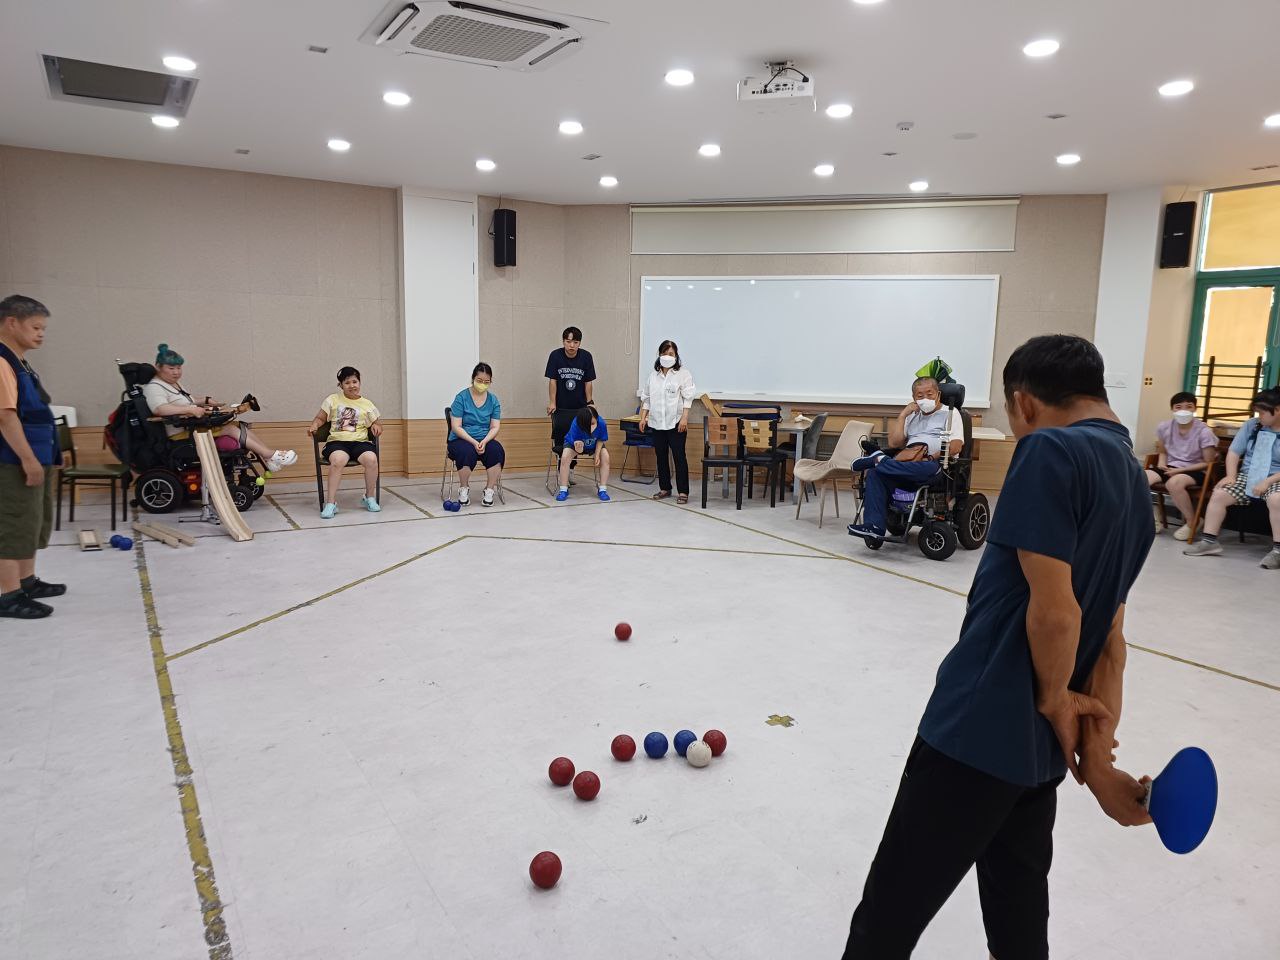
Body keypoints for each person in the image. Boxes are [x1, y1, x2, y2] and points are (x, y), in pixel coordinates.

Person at [840, 335, 1155, 960]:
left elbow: (1059, 614)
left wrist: (1054, 699)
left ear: (1024, 403)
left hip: (975, 731)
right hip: (1036, 758)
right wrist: (1094, 762)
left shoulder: (1049, 450)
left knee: (887, 919)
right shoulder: (1135, 481)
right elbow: (1110, 642)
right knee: (1018, 926)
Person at [0, 295, 65, 620]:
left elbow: (37, 414)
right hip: (12, 461)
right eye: (35, 327)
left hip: (35, 456)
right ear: (12, 323)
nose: (41, 334)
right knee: (13, 523)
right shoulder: (2, 363)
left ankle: (27, 581)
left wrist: (51, 454)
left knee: (32, 521)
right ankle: (8, 595)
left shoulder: (20, 361)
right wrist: (27, 459)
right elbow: (6, 417)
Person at [141, 344, 297, 471]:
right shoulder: (154, 387)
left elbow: (189, 400)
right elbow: (160, 409)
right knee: (229, 429)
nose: (176, 372)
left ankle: (267, 458)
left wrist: (207, 401)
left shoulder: (172, 384)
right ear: (158, 367)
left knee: (239, 426)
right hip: (179, 434)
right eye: (171, 368)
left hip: (190, 428)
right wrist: (189, 410)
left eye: (179, 368)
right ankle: (269, 454)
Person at [846, 375, 964, 543]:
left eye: (929, 394)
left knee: (893, 466)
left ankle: (880, 460)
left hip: (933, 464)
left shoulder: (950, 414)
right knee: (874, 474)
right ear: (914, 398)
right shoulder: (912, 416)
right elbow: (894, 443)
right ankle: (874, 527)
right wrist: (903, 414)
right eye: (920, 395)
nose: (925, 399)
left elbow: (956, 446)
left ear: (938, 394)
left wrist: (931, 456)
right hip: (906, 462)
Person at [1183, 388, 1280, 569]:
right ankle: (1209, 541)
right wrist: (1230, 475)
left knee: (1277, 499)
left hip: (1276, 478)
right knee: (1219, 494)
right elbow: (1234, 452)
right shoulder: (1252, 425)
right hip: (1249, 475)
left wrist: (1267, 481)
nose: (1259, 416)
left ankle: (1278, 552)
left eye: (1262, 412)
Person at [307, 366, 383, 518]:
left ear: (359, 383)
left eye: (355, 381)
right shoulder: (332, 400)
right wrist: (314, 425)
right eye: (347, 383)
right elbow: (321, 418)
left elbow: (377, 423)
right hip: (337, 442)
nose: (352, 385)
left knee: (371, 459)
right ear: (340, 385)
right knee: (338, 460)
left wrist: (376, 426)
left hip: (360, 442)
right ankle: (330, 503)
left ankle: (369, 497)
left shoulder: (367, 404)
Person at [1145, 391, 1219, 539]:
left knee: (1174, 483)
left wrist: (1181, 470)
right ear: (1172, 409)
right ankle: (1149, 517)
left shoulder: (1204, 432)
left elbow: (1208, 462)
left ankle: (1193, 521)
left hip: (1196, 470)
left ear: (1194, 409)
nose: (1183, 410)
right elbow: (1162, 451)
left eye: (1189, 406)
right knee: (1140, 478)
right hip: (1170, 466)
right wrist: (1161, 464)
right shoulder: (1164, 427)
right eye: (1178, 407)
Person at [639, 340, 696, 504]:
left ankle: (683, 491)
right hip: (657, 423)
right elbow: (647, 399)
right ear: (659, 355)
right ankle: (665, 488)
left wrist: (684, 419)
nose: (667, 356)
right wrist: (643, 417)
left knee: (679, 457)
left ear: (676, 356)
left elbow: (688, 399)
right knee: (661, 457)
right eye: (665, 353)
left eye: (671, 354)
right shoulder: (653, 376)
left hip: (676, 423)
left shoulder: (683, 374)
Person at [447, 363, 505, 507]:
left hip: (484, 439)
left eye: (487, 382)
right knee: (465, 452)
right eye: (479, 381)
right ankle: (464, 487)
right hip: (462, 438)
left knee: (497, 451)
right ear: (473, 379)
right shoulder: (461, 398)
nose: (482, 384)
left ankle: (489, 489)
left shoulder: (493, 400)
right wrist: (473, 442)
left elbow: (495, 426)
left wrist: (484, 441)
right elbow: (456, 426)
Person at [545, 326, 596, 450]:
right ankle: (561, 465)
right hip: (561, 406)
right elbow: (553, 380)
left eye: (575, 342)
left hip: (580, 406)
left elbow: (588, 382)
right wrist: (552, 402)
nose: (571, 345)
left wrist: (590, 402)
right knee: (560, 437)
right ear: (563, 341)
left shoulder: (586, 357)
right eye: (568, 342)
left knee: (578, 436)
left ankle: (572, 467)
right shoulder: (555, 355)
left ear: (579, 343)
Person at [556, 406, 610, 502]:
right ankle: (563, 489)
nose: (591, 427)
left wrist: (597, 454)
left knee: (605, 457)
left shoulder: (601, 423)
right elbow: (579, 451)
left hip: (594, 445)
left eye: (593, 423)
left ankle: (602, 490)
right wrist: (579, 448)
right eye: (589, 424)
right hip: (576, 445)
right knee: (565, 457)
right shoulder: (576, 425)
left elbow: (601, 439)